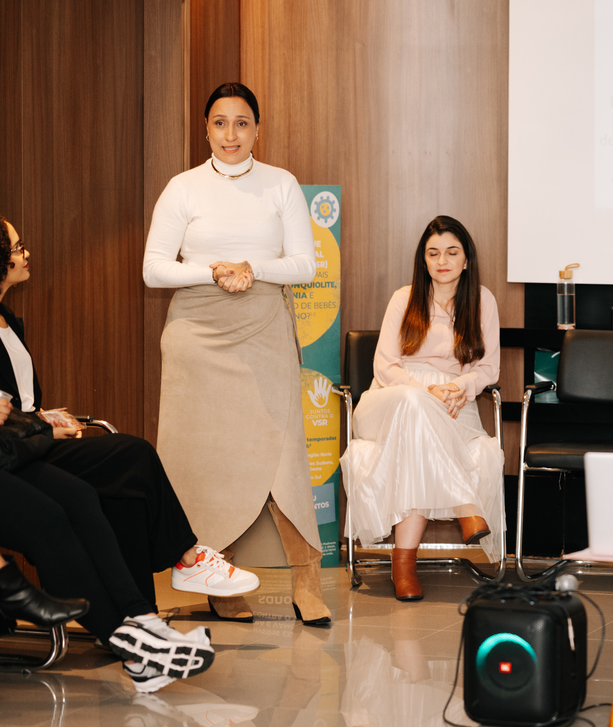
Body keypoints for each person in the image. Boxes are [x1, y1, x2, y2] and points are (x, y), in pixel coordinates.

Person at [143, 82, 329, 626]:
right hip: (196, 338)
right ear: (205, 130)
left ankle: (307, 581)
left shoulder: (281, 184)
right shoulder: (183, 188)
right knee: (201, 463)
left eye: (242, 122)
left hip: (264, 326)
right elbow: (153, 269)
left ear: (257, 129)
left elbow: (304, 265)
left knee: (283, 457)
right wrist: (214, 272)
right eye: (220, 123)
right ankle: (215, 581)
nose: (231, 134)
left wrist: (253, 269)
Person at [0, 217, 259, 607]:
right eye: (19, 248)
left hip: (37, 437)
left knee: (128, 491)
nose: (27, 254)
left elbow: (21, 400)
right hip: (17, 453)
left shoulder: (8, 319)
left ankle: (140, 614)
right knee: (134, 455)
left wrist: (45, 416)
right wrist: (41, 429)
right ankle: (187, 559)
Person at [340, 215, 503, 601]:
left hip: (454, 403)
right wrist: (427, 391)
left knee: (417, 439)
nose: (442, 260)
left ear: (466, 259)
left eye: (452, 252)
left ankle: (404, 565)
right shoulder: (404, 297)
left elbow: (489, 368)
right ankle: (466, 506)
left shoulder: (483, 300)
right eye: (433, 253)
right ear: (423, 259)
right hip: (392, 398)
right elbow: (385, 366)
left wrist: (459, 387)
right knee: (414, 405)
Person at [0, 402, 216, 692]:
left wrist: (39, 426)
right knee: (48, 515)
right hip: (11, 452)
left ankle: (143, 620)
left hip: (12, 447)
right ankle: (132, 647)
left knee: (80, 494)